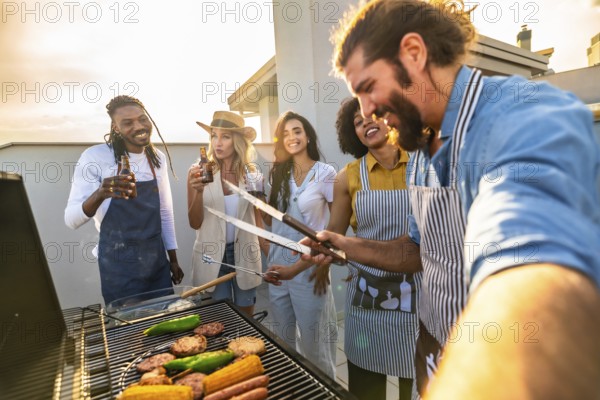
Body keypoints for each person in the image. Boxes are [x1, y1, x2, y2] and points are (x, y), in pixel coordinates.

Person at [300, 0, 600, 398]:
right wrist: (346, 244)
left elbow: (533, 267)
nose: (366, 111)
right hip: (430, 346)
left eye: (368, 88)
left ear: (414, 53)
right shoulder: (423, 146)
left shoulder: (520, 115)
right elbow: (417, 250)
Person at [269, 98, 420, 399]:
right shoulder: (346, 177)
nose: (367, 123)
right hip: (367, 299)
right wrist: (292, 270)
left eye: (374, 115)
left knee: (414, 386)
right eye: (358, 122)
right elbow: (330, 240)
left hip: (417, 296)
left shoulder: (421, 167)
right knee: (366, 389)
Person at [65, 95, 183, 306]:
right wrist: (101, 193)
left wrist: (173, 260)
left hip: (157, 264)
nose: (138, 126)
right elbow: (71, 220)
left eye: (142, 119)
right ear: (115, 127)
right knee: (129, 333)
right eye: (128, 123)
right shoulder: (95, 157)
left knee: (165, 328)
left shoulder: (157, 159)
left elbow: (165, 213)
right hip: (119, 269)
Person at [263, 111, 338, 379]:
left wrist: (328, 262)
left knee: (315, 346)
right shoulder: (275, 176)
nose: (291, 137)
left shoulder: (325, 173)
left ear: (307, 136)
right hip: (278, 270)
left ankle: (327, 392)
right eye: (285, 133)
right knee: (285, 344)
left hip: (309, 269)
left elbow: (335, 227)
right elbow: (269, 224)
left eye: (296, 131)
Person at [188, 111, 267, 317]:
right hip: (210, 257)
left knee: (247, 321)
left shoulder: (251, 174)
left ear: (238, 141)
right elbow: (194, 223)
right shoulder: (198, 172)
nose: (218, 143)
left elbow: (259, 221)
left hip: (246, 255)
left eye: (225, 136)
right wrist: (197, 192)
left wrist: (272, 254)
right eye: (214, 135)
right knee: (218, 321)